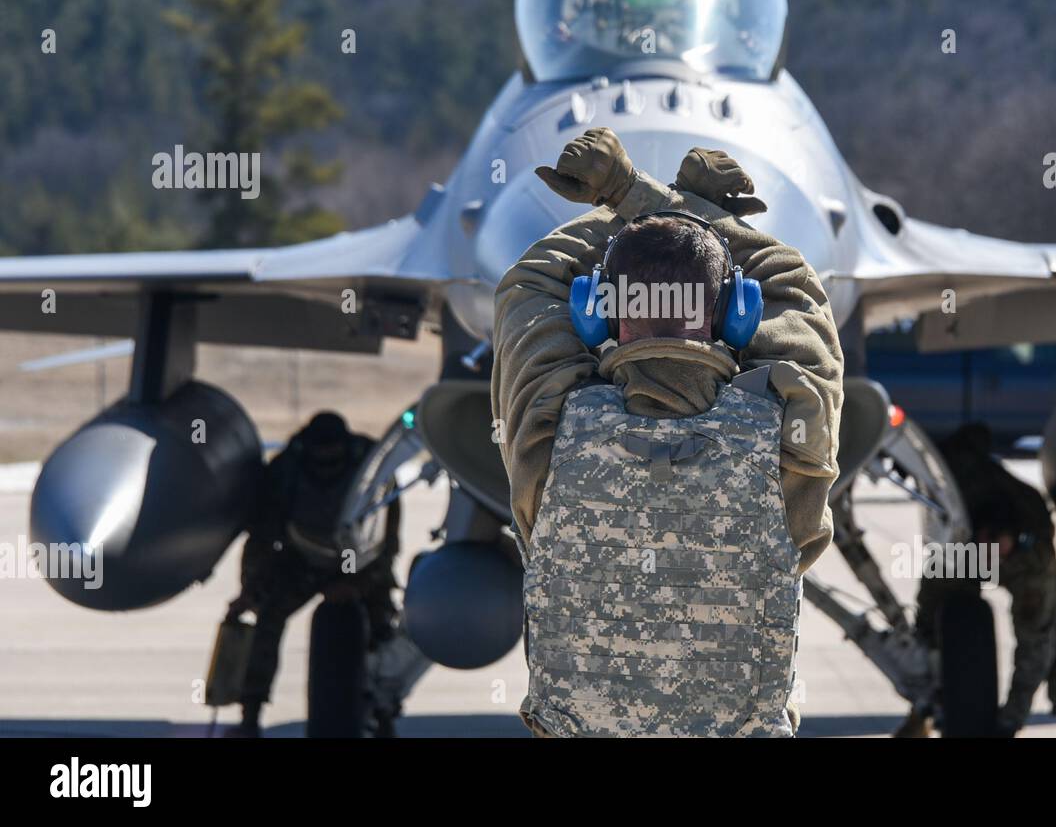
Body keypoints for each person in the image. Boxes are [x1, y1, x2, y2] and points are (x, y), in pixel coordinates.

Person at [491, 127, 844, 737]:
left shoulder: (548, 422)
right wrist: (678, 205)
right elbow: (794, 283)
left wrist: (625, 198)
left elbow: (531, 281)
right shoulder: (790, 422)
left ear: (598, 305)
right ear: (737, 310)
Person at [220, 411, 403, 737]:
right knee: (267, 621)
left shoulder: (372, 473)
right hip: (299, 560)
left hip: (356, 563)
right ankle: (251, 712)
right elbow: (262, 536)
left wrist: (358, 584)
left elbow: (385, 543)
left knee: (381, 632)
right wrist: (250, 589)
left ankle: (382, 711)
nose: (326, 464)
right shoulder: (285, 472)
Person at [938, 423, 1056, 738]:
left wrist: (1009, 722)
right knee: (938, 601)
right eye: (983, 545)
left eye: (994, 547)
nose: (989, 555)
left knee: (1053, 640)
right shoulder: (966, 509)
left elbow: (1033, 652)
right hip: (969, 536)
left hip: (1029, 566)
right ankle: (925, 706)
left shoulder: (1034, 568)